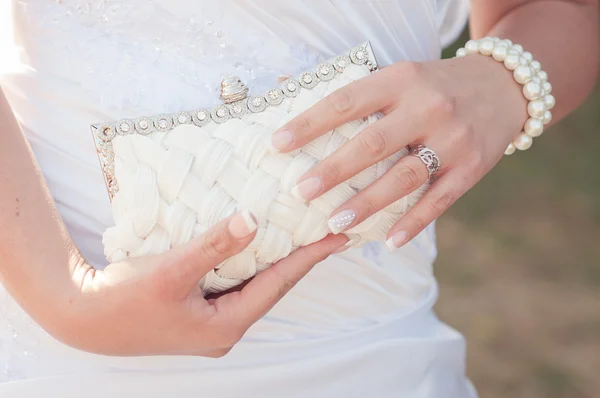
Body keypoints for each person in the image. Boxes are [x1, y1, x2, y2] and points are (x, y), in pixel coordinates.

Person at [0, 0, 597, 396]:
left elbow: (558, 12)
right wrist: (66, 298)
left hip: (374, 354)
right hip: (66, 341)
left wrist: (497, 83)